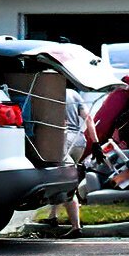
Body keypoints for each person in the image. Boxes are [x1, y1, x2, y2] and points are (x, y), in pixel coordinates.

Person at [46, 85, 97, 239]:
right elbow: (88, 118)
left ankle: (76, 227)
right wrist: (96, 143)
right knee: (61, 179)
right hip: (79, 142)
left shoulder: (51, 91)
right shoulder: (75, 95)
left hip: (64, 140)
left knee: (65, 183)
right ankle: (52, 215)